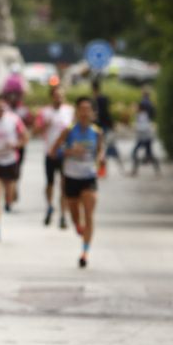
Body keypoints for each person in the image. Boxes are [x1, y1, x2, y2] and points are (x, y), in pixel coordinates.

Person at [59, 97, 105, 267]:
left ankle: (85, 252)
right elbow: (54, 151)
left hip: (89, 176)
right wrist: (70, 151)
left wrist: (100, 159)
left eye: (88, 109)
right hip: (71, 176)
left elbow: (100, 151)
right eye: (82, 109)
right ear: (77, 112)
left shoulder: (97, 132)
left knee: (89, 214)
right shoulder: (69, 131)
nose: (85, 113)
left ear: (92, 112)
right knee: (75, 214)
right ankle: (78, 225)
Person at [0, 93, 27, 240]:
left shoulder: (14, 120)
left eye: (2, 108)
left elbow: (25, 137)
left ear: (5, 107)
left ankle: (8, 202)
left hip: (10, 161)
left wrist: (16, 145)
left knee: (9, 194)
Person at [38, 86, 75, 228]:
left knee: (64, 185)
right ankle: (49, 206)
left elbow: (73, 130)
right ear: (52, 97)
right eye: (56, 95)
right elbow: (37, 130)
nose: (59, 98)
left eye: (61, 95)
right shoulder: (45, 112)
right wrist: (45, 126)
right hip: (49, 153)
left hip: (65, 154)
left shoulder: (69, 111)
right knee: (50, 183)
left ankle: (63, 215)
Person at [130, 97, 160, 176]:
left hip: (145, 138)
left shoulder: (143, 115)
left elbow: (144, 127)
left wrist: (136, 127)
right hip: (143, 138)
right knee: (139, 153)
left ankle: (156, 170)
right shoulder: (140, 115)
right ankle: (135, 170)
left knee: (146, 154)